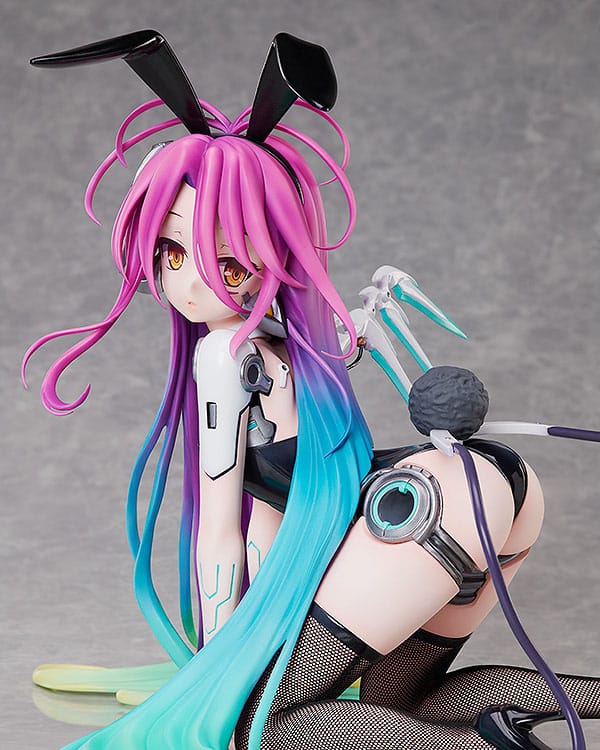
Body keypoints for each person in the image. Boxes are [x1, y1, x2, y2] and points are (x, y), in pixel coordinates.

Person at [24, 31, 600, 750]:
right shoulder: (293, 336)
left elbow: (219, 533)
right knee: (403, 699)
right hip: (489, 490)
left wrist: (219, 677)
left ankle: (485, 746)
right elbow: (280, 500)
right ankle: (514, 718)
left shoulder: (224, 355)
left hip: (419, 516)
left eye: (225, 262)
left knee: (259, 725)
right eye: (171, 252)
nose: (189, 281)